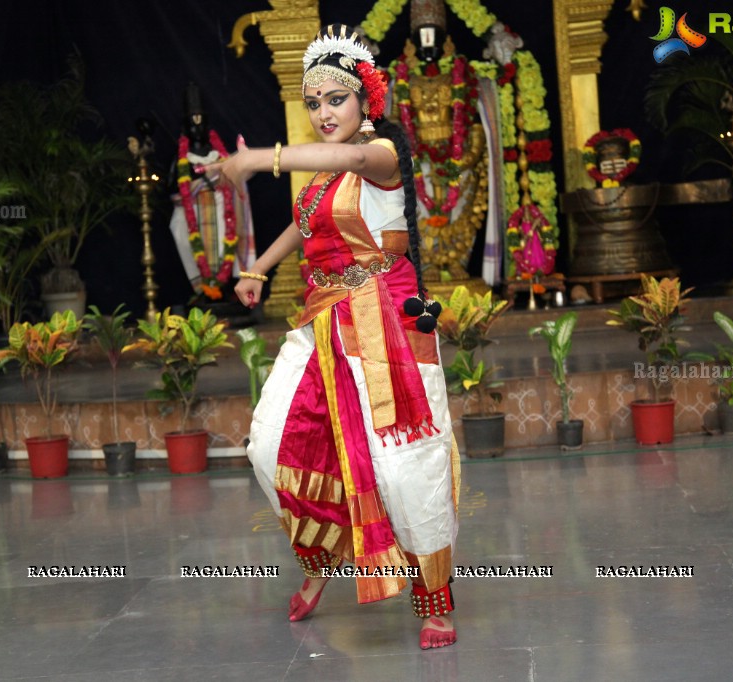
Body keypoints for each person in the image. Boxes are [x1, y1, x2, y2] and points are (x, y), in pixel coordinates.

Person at [206, 24, 459, 651]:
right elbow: (303, 223)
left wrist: (259, 159)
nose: (324, 113)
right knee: (269, 445)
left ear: (365, 102)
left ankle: (434, 595)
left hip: (388, 321)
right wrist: (257, 269)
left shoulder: (381, 153)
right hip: (325, 317)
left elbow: (346, 160)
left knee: (403, 467)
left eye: (336, 99)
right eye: (314, 102)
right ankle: (323, 558)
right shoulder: (321, 176)